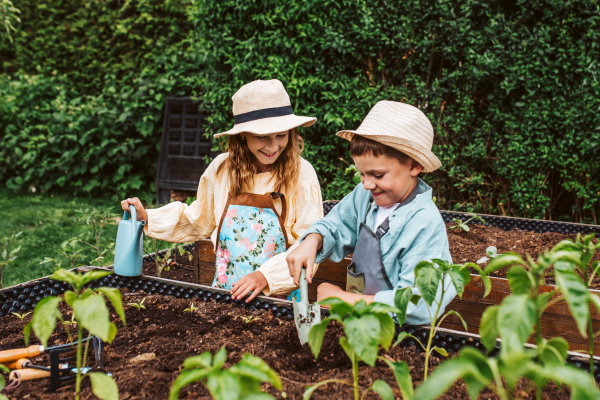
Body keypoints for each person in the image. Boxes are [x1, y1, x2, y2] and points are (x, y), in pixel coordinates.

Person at [122, 79, 323, 303]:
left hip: (278, 303)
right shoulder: (221, 170)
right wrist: (148, 217)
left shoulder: (302, 175)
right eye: (261, 136)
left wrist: (265, 277)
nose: (273, 146)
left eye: (281, 135)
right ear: (242, 135)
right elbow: (199, 219)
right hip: (226, 298)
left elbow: (309, 243)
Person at [286, 100, 456, 325]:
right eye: (362, 174)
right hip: (359, 326)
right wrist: (313, 240)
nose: (366, 184)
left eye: (377, 175)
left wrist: (346, 300)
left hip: (400, 339)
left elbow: (420, 303)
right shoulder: (365, 198)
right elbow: (336, 225)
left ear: (414, 166)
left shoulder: (424, 223)